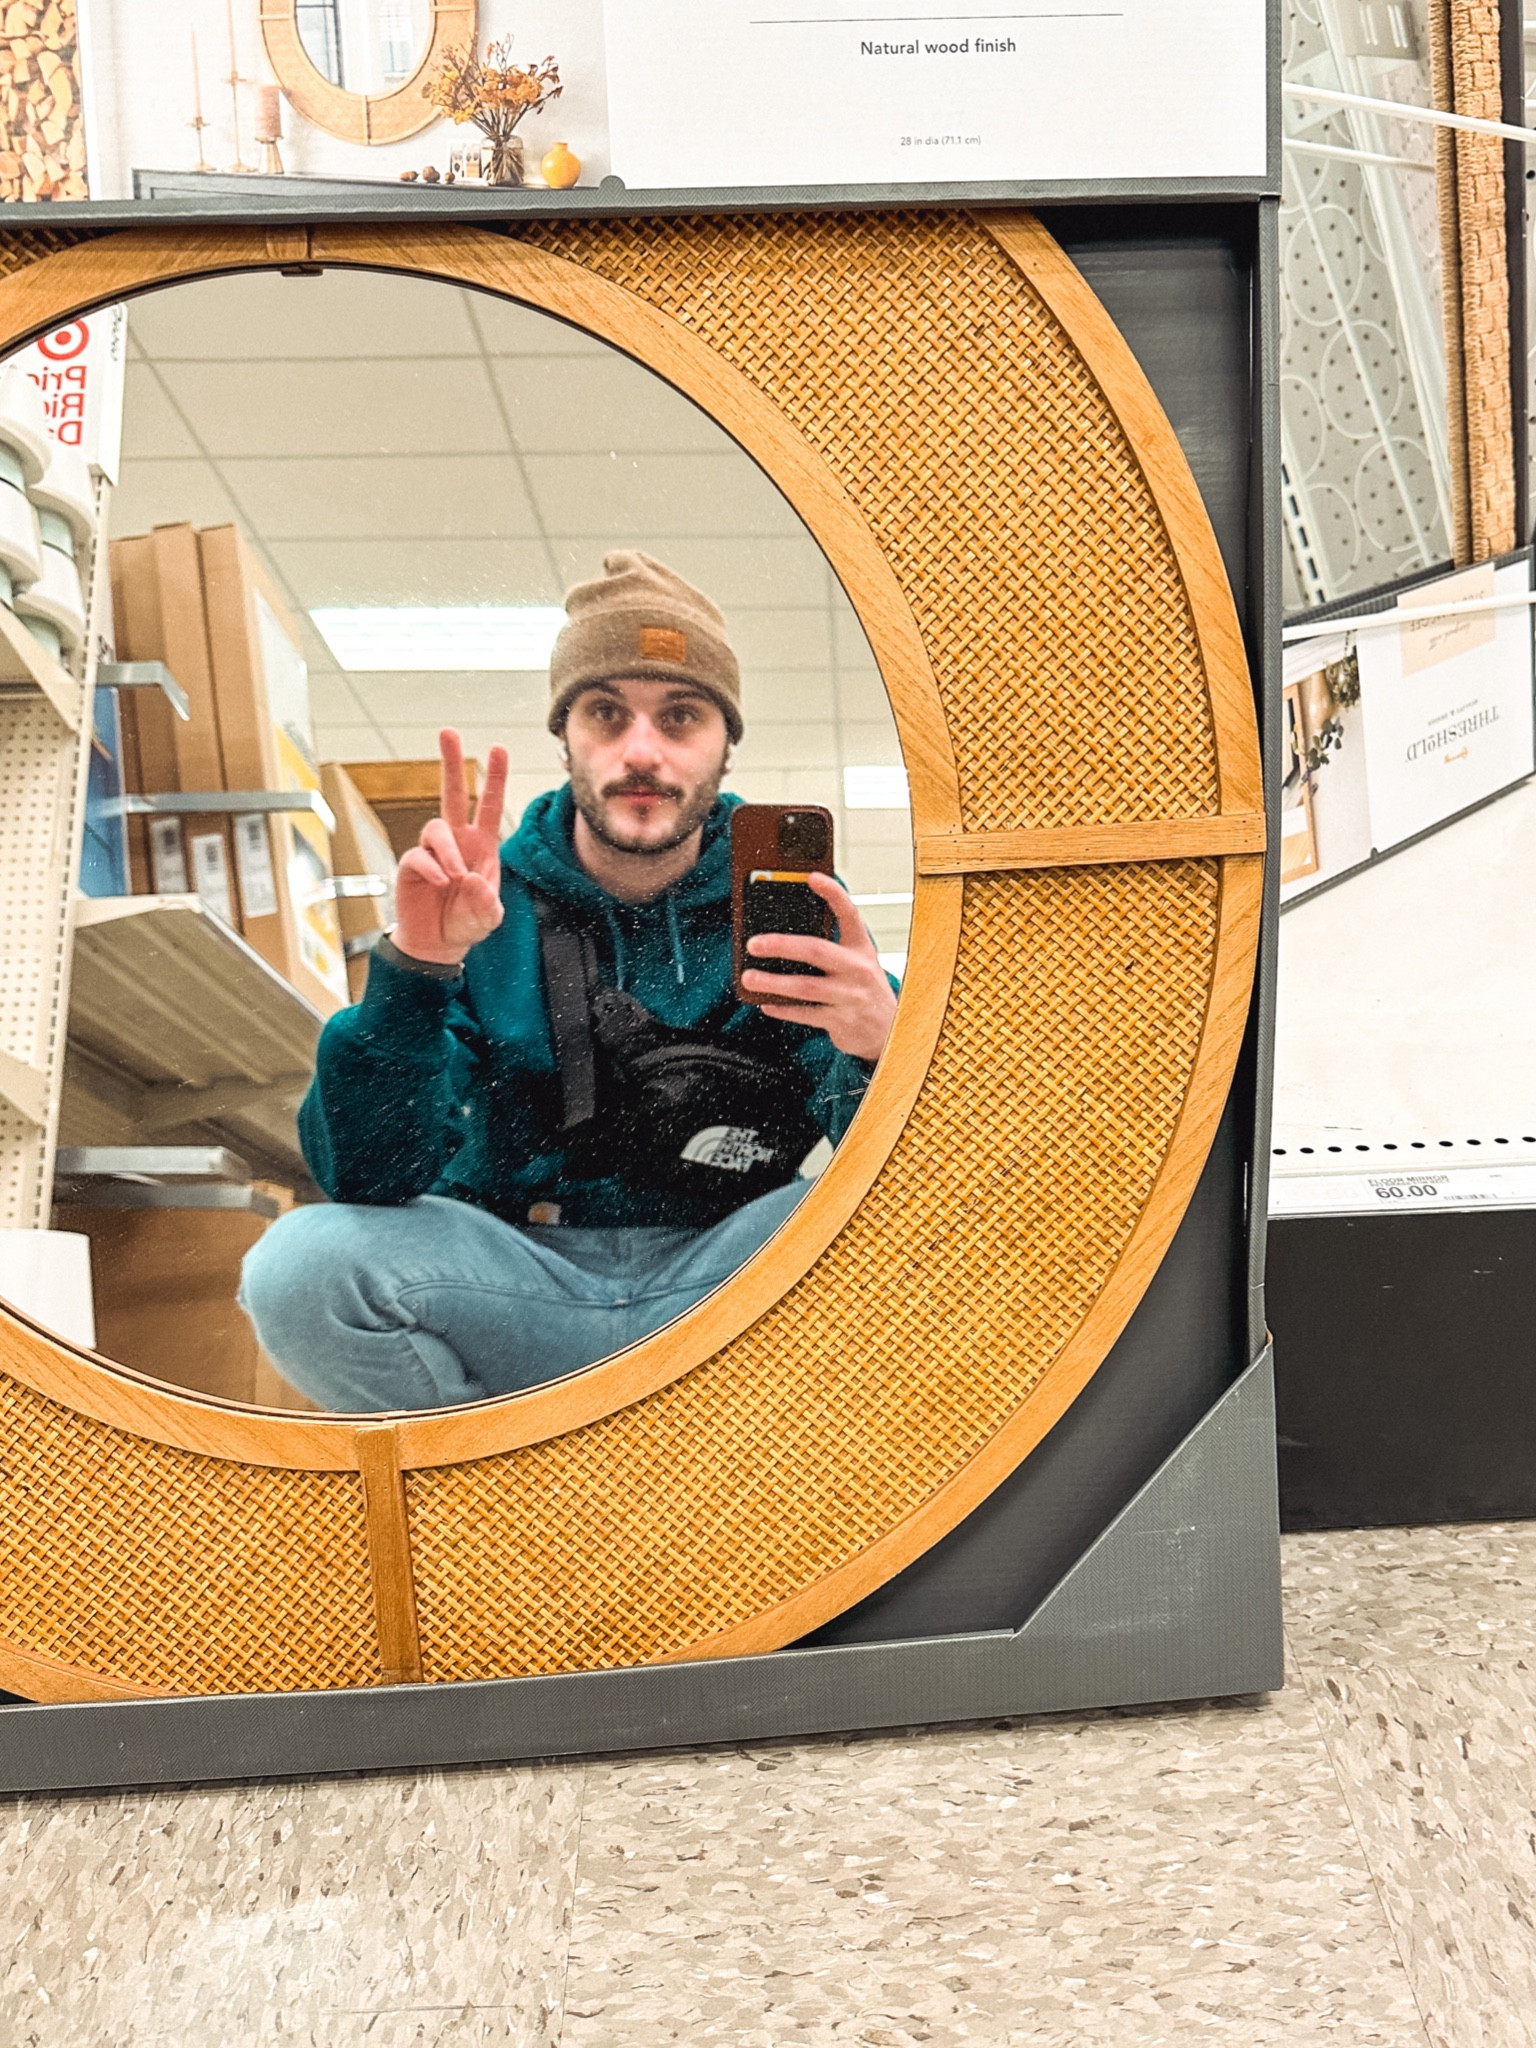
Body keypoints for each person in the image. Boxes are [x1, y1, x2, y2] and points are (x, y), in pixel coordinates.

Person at [239, 552, 897, 1411]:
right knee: (299, 1266)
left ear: (725, 745)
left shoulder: (795, 909)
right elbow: (367, 1180)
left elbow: (907, 1176)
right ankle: (494, 1511)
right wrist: (417, 969)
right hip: (513, 1282)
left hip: (730, 1290)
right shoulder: (477, 904)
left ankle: (742, 1481)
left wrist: (884, 1051)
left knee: (899, 1234)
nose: (641, 752)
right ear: (566, 735)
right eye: (606, 713)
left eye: (681, 717)